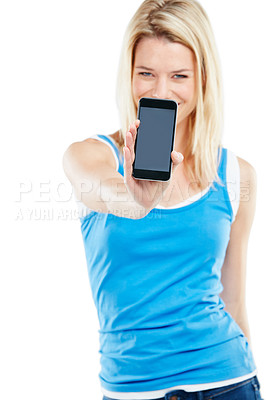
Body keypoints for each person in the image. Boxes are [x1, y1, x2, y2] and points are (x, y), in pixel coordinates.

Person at [63, 0, 263, 399]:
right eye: (146, 74)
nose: (161, 92)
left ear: (203, 78)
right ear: (129, 75)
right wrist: (136, 200)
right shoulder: (90, 156)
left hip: (227, 380)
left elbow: (235, 299)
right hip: (132, 388)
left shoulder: (236, 174)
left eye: (179, 76)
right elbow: (101, 191)